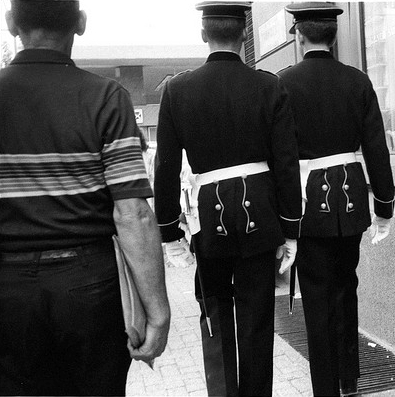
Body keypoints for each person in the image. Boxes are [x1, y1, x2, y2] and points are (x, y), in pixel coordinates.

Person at [0, 1, 170, 395]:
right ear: (80, 23)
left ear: (11, 24)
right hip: (90, 288)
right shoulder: (106, 97)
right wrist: (157, 311)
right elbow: (133, 214)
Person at [153, 2, 302, 396]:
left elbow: (165, 170)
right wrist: (291, 229)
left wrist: (169, 235)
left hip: (210, 220)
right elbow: (286, 164)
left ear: (204, 34)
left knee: (216, 317)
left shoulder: (178, 89)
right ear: (245, 35)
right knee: (257, 321)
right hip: (261, 218)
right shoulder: (270, 86)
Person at [278, 3, 395, 396]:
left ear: (299, 35)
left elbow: (280, 156)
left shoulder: (283, 83)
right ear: (334, 35)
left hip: (309, 204)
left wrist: (284, 215)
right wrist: (385, 206)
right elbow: (377, 149)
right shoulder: (357, 80)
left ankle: (325, 388)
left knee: (316, 299)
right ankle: (350, 380)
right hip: (349, 200)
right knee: (346, 288)